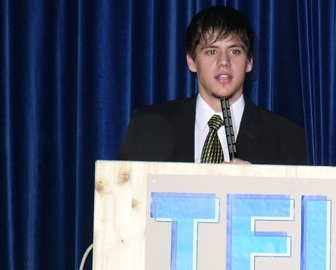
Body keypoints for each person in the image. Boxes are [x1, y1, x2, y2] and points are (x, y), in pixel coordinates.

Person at [115, 5, 307, 166]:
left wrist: (256, 189)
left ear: (249, 62)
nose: (224, 61)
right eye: (211, 51)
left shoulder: (287, 138)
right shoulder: (147, 129)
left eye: (235, 51)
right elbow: (120, 195)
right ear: (191, 62)